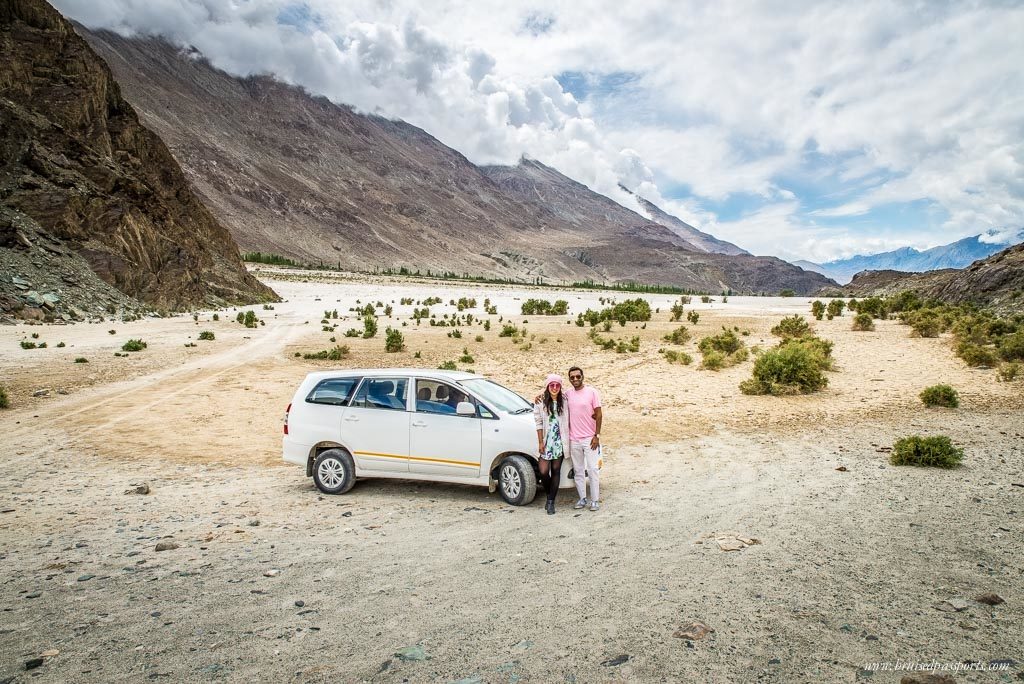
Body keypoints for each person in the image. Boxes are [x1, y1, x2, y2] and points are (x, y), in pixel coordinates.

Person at [566, 366, 602, 511]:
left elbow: (598, 414)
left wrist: (596, 436)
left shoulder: (592, 392)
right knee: (578, 470)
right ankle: (582, 498)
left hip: (589, 438)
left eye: (578, 376)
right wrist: (539, 396)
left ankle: (595, 500)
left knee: (593, 469)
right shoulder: (567, 394)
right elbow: (552, 396)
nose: (575, 379)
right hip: (573, 439)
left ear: (582, 377)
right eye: (572, 377)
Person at [534, 373, 570, 515]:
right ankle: (550, 494)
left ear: (560, 387)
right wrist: (540, 442)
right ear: (547, 386)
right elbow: (538, 422)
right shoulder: (540, 402)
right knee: (543, 471)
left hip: (560, 441)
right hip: (547, 441)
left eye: (557, 385)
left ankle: (550, 502)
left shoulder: (566, 400)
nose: (554, 388)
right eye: (551, 385)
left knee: (556, 471)